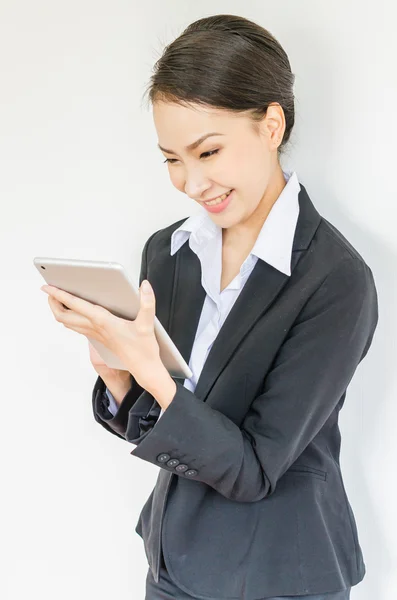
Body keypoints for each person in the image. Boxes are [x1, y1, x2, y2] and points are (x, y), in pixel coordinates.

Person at [49, 13, 378, 600]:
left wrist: (149, 371)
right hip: (174, 565)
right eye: (173, 159)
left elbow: (253, 469)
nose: (192, 183)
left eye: (208, 151)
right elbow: (168, 415)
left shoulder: (337, 281)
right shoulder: (168, 251)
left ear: (271, 124)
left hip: (281, 575)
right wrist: (120, 378)